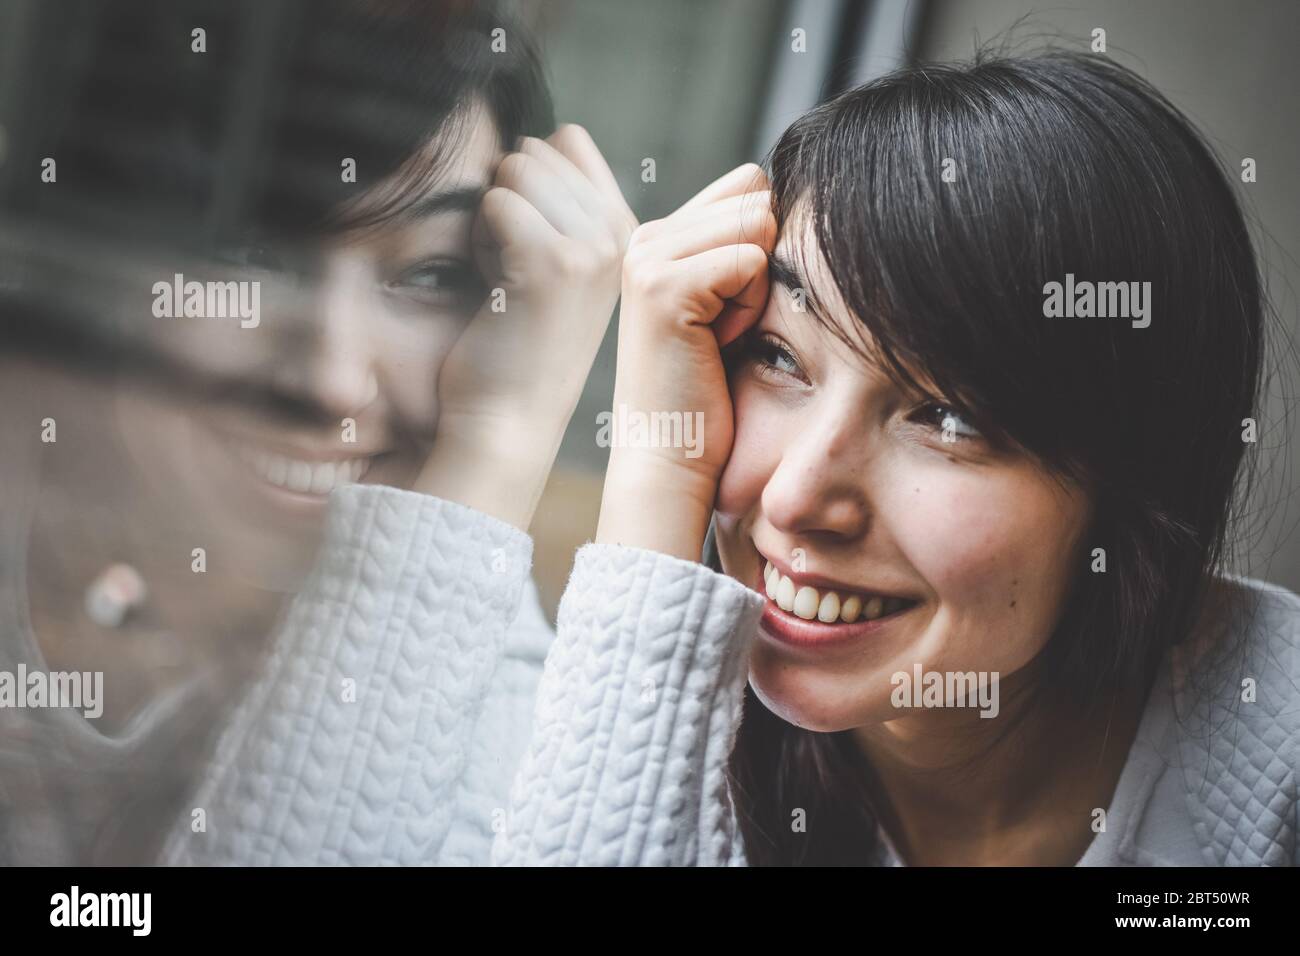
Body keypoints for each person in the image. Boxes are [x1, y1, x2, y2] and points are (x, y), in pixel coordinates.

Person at [165, 51, 1299, 867]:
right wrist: (625, 465)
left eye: (947, 418)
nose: (799, 494)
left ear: (1129, 492)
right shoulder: (652, 731)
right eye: (778, 357)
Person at [0, 0, 633, 864]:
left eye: (431, 274)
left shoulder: (471, 639)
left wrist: (502, 438)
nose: (331, 379)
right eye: (254, 258)